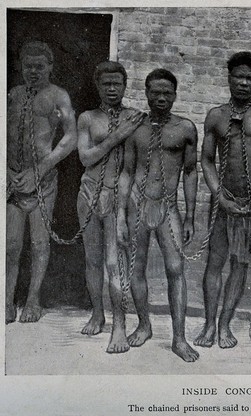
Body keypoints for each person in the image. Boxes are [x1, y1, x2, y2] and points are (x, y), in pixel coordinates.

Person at [116, 68, 199, 362]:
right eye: (155, 92)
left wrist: (189, 216)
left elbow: (190, 172)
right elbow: (126, 171)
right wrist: (121, 215)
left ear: (175, 95)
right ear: (147, 94)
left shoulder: (186, 128)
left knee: (176, 268)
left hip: (168, 207)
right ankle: (144, 324)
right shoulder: (135, 128)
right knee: (136, 269)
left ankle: (179, 338)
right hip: (137, 205)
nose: (161, 98)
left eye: (167, 93)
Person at [194, 52, 251, 349]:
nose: (244, 83)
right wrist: (218, 195)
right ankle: (208, 325)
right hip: (223, 202)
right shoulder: (216, 115)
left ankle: (225, 325)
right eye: (238, 77)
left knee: (240, 265)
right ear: (228, 78)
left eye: (250, 79)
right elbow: (206, 159)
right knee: (214, 263)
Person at [76, 61, 145, 352]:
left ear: (125, 85)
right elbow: (85, 157)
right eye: (106, 84)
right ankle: (97, 313)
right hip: (89, 192)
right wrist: (116, 137)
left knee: (115, 263)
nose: (112, 89)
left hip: (120, 196)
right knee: (93, 260)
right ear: (98, 86)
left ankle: (120, 325)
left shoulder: (137, 117)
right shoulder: (87, 118)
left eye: (117, 83)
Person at [6, 41, 77, 324]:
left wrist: (44, 166)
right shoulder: (13, 94)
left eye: (39, 66)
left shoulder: (59, 96)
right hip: (13, 178)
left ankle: (33, 298)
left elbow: (70, 138)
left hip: (43, 180)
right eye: (27, 66)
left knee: (38, 242)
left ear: (50, 67)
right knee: (11, 244)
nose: (32, 71)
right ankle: (7, 301)